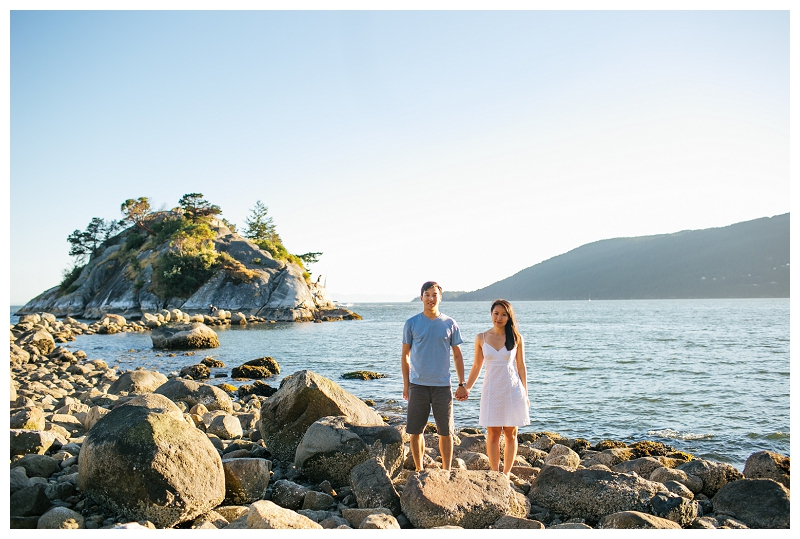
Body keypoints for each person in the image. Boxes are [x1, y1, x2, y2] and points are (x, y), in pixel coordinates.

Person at [401, 281, 467, 471]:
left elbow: (457, 355)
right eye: (427, 294)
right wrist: (406, 385)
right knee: (415, 431)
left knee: (446, 432)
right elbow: (405, 355)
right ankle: (419, 470)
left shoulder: (450, 323)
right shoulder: (411, 323)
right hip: (417, 385)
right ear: (421, 297)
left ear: (440, 297)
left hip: (442, 386)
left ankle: (446, 471)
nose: (431, 298)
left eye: (434, 295)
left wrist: (462, 383)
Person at [463, 299, 530, 477]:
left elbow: (521, 367)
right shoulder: (481, 337)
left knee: (511, 433)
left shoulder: (516, 338)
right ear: (491, 314)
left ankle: (506, 473)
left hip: (512, 390)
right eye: (496, 314)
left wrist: (526, 393)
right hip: (491, 390)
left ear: (509, 317)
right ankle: (494, 472)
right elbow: (476, 366)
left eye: (503, 314)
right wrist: (466, 387)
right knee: (492, 433)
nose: (499, 318)